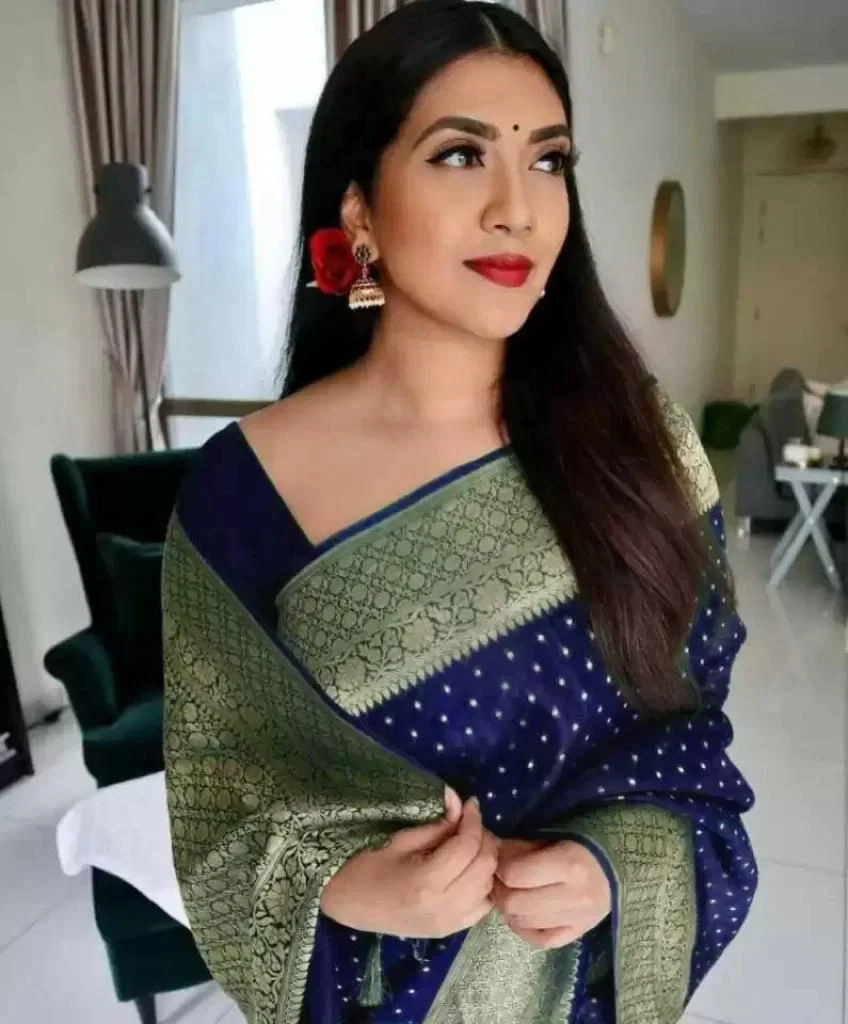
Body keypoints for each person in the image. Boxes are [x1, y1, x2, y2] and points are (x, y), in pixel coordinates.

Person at [162, 3, 757, 1023]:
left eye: (547, 160)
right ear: (358, 209)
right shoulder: (243, 491)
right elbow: (221, 811)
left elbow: (694, 731)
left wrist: (613, 867)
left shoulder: (636, 442)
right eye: (458, 155)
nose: (517, 209)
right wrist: (350, 886)